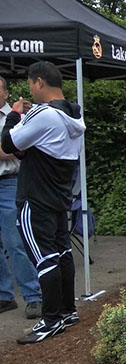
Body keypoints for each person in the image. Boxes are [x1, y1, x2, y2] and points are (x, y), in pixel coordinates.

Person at [0, 62, 84, 344]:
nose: (30, 92)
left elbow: (8, 144)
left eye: (29, 85)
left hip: (35, 198)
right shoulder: (72, 114)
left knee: (44, 258)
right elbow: (42, 151)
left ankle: (50, 320)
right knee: (62, 253)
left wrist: (14, 114)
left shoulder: (44, 114)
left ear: (39, 82)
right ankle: (67, 311)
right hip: (58, 196)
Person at [0, 76, 42, 319]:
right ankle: (4, 296)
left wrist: (5, 148)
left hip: (9, 183)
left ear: (6, 93)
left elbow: (12, 149)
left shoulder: (17, 117)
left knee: (16, 243)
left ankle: (33, 296)